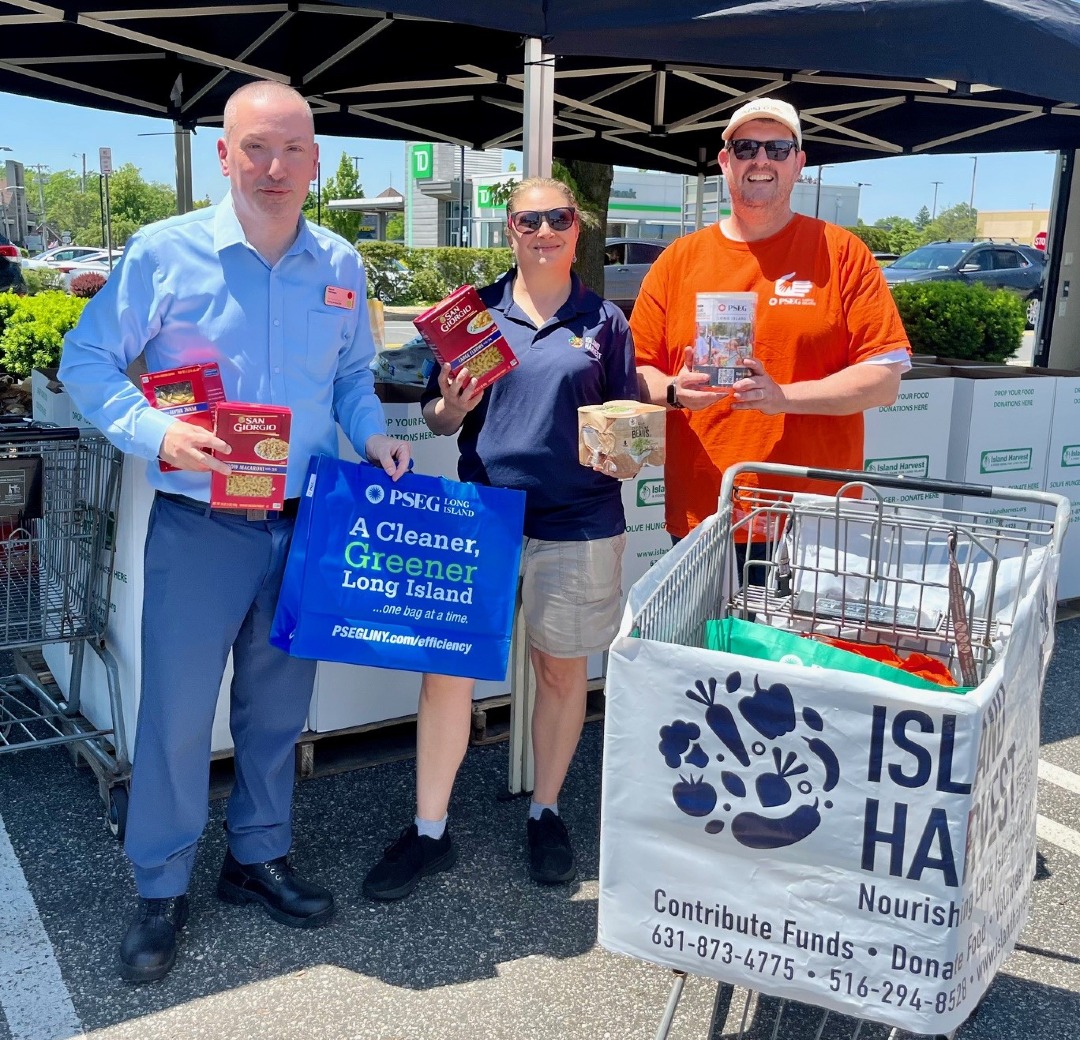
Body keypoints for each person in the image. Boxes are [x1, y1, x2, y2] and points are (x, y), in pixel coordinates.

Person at [58, 80, 410, 984]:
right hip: (200, 525)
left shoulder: (340, 265)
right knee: (176, 715)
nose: (275, 166)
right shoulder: (165, 252)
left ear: (317, 161)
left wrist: (372, 432)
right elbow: (88, 359)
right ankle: (160, 886)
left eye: (294, 149)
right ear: (225, 155)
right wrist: (156, 430)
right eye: (256, 147)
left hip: (303, 523)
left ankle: (256, 857)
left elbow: (353, 378)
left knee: (277, 710)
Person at [362, 176, 637, 900]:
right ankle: (429, 829)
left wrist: (627, 442)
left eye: (558, 218)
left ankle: (546, 812)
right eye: (527, 220)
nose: (543, 230)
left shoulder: (603, 320)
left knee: (559, 671)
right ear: (507, 230)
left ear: (578, 228)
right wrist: (451, 404)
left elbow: (628, 425)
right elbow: (437, 421)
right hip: (478, 517)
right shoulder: (472, 315)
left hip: (577, 520)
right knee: (447, 674)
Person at [632, 97, 910, 560]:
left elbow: (883, 380)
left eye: (777, 148)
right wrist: (675, 392)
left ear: (798, 163)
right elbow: (638, 371)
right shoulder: (677, 261)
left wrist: (783, 397)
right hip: (707, 514)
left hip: (816, 521)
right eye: (745, 148)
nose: (761, 160)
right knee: (705, 637)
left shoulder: (842, 253)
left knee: (809, 639)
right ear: (726, 162)